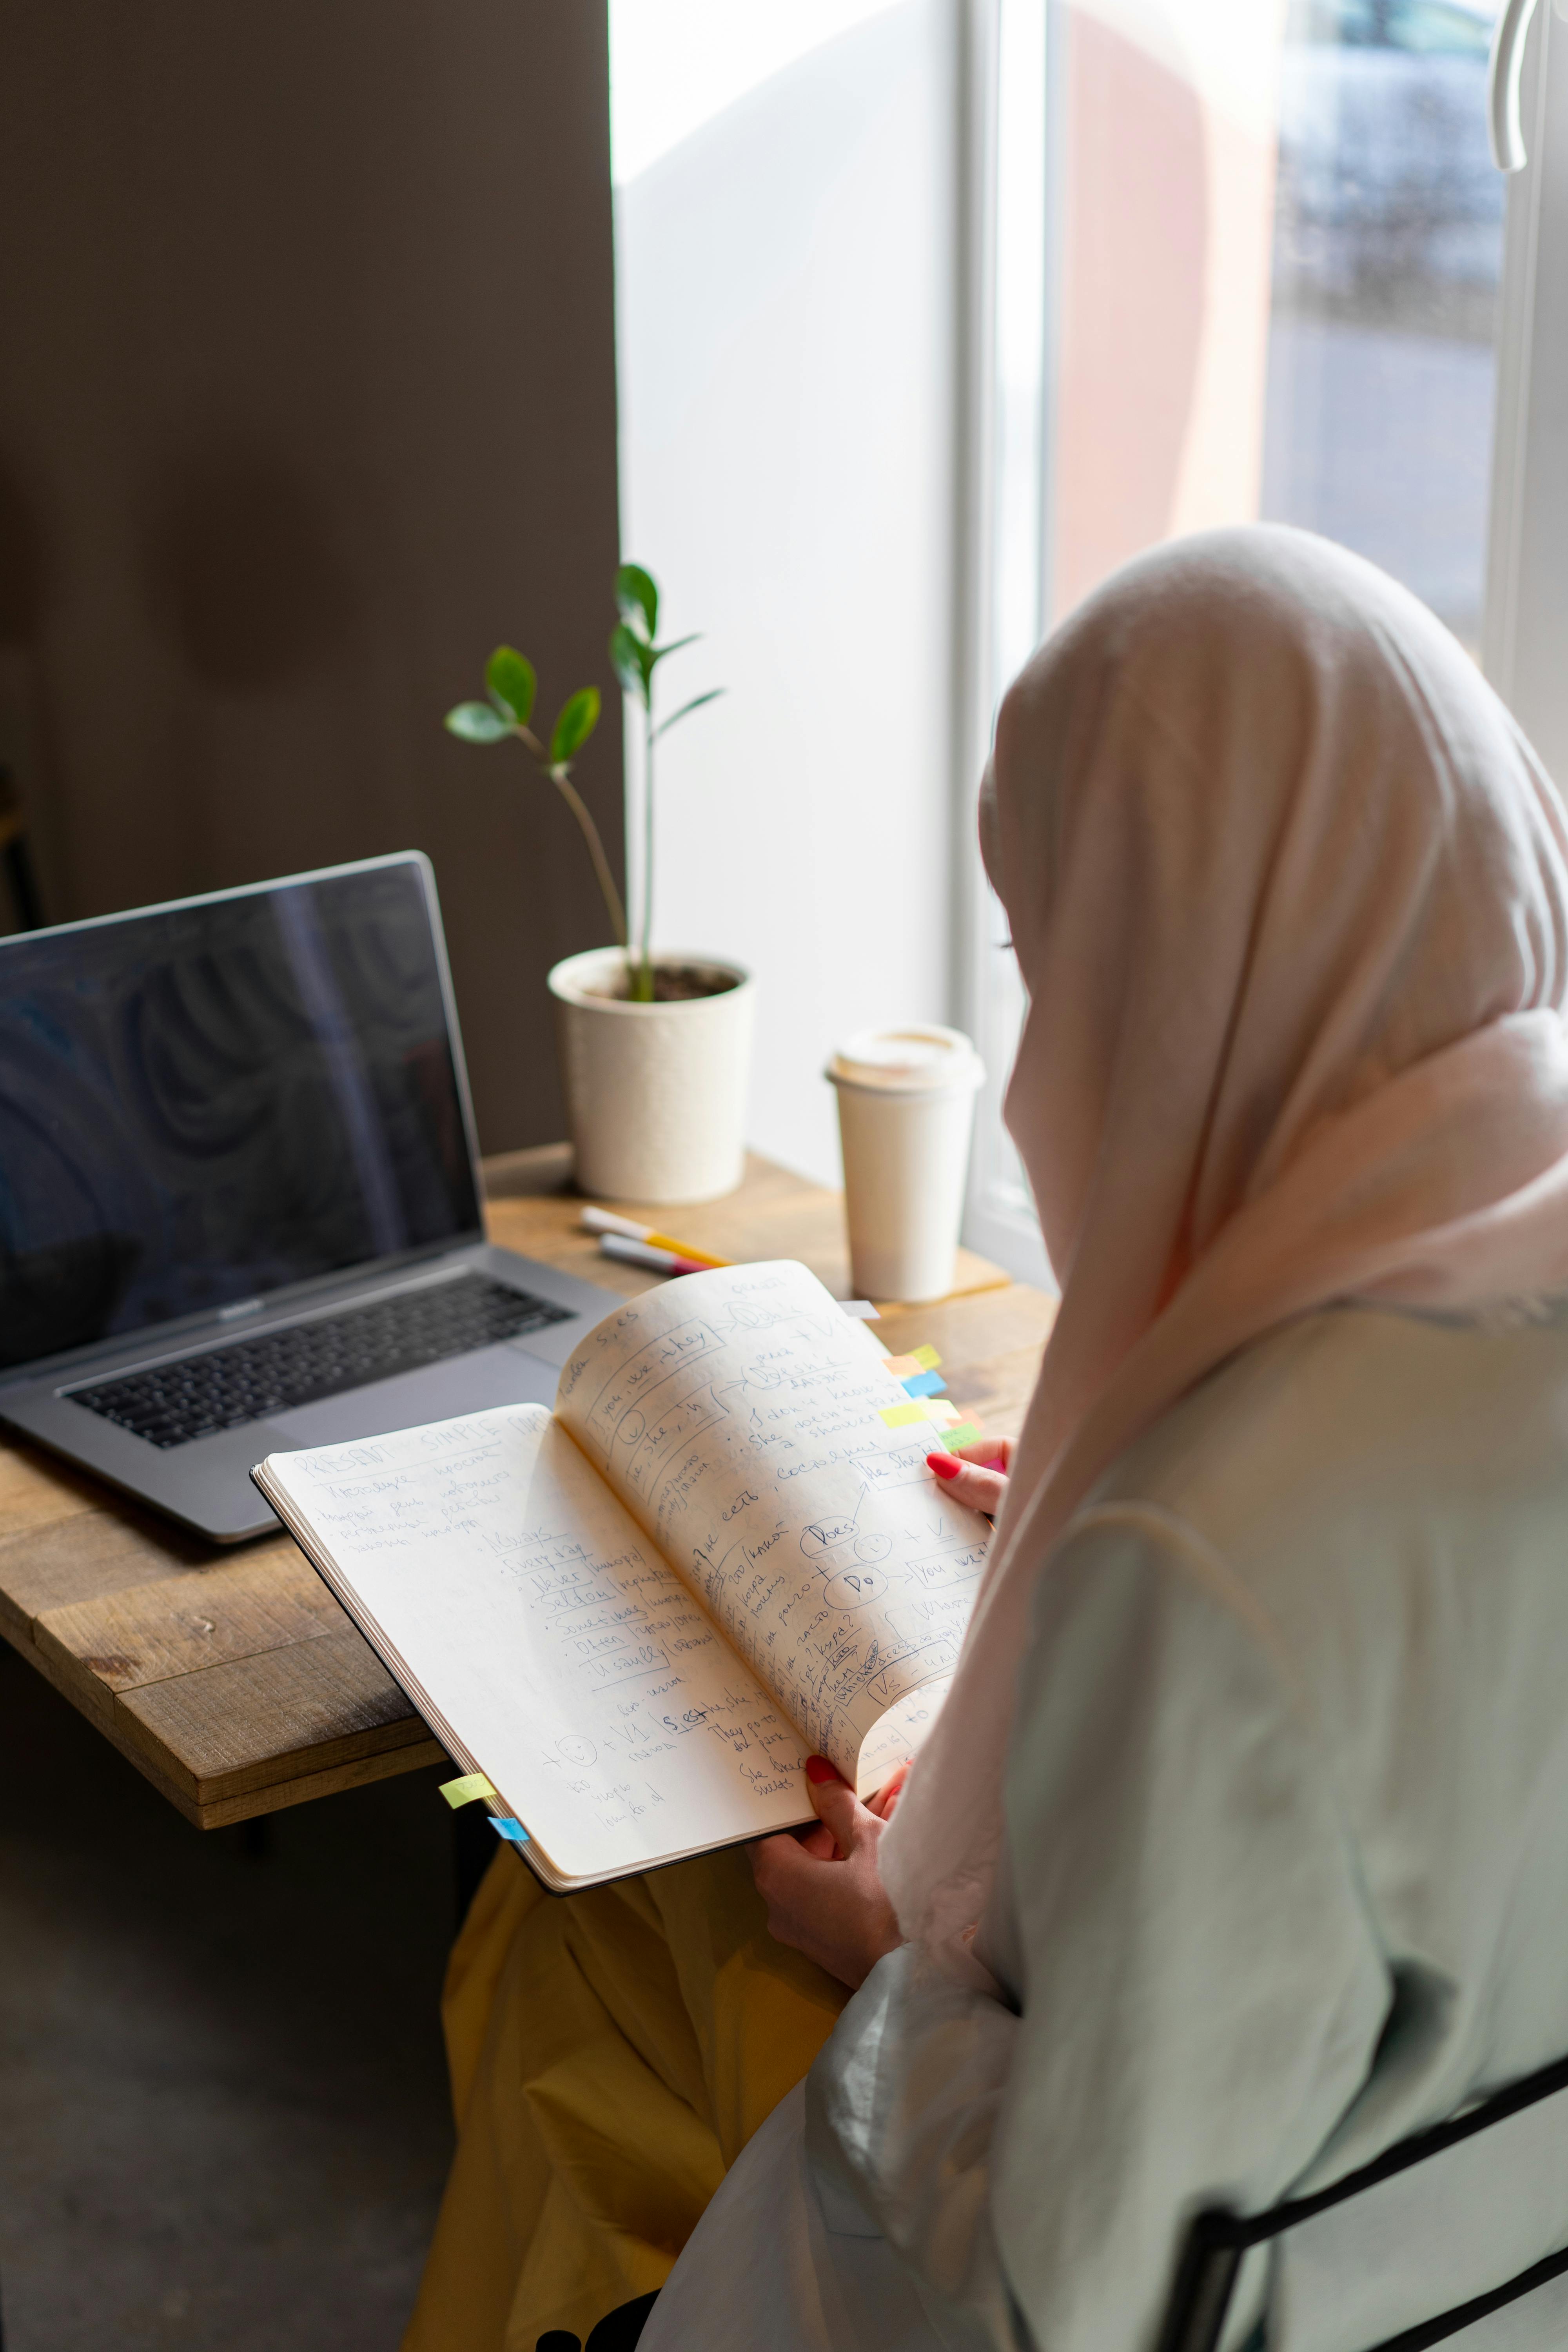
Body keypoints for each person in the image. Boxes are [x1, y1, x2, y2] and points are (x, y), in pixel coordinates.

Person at [412, 521, 1568, 2352]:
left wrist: (897, 1964)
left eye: (1048, 968)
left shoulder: (1209, 1558)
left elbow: (1068, 2291)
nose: (1030, 1075)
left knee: (575, 1936)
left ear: (1185, 992)